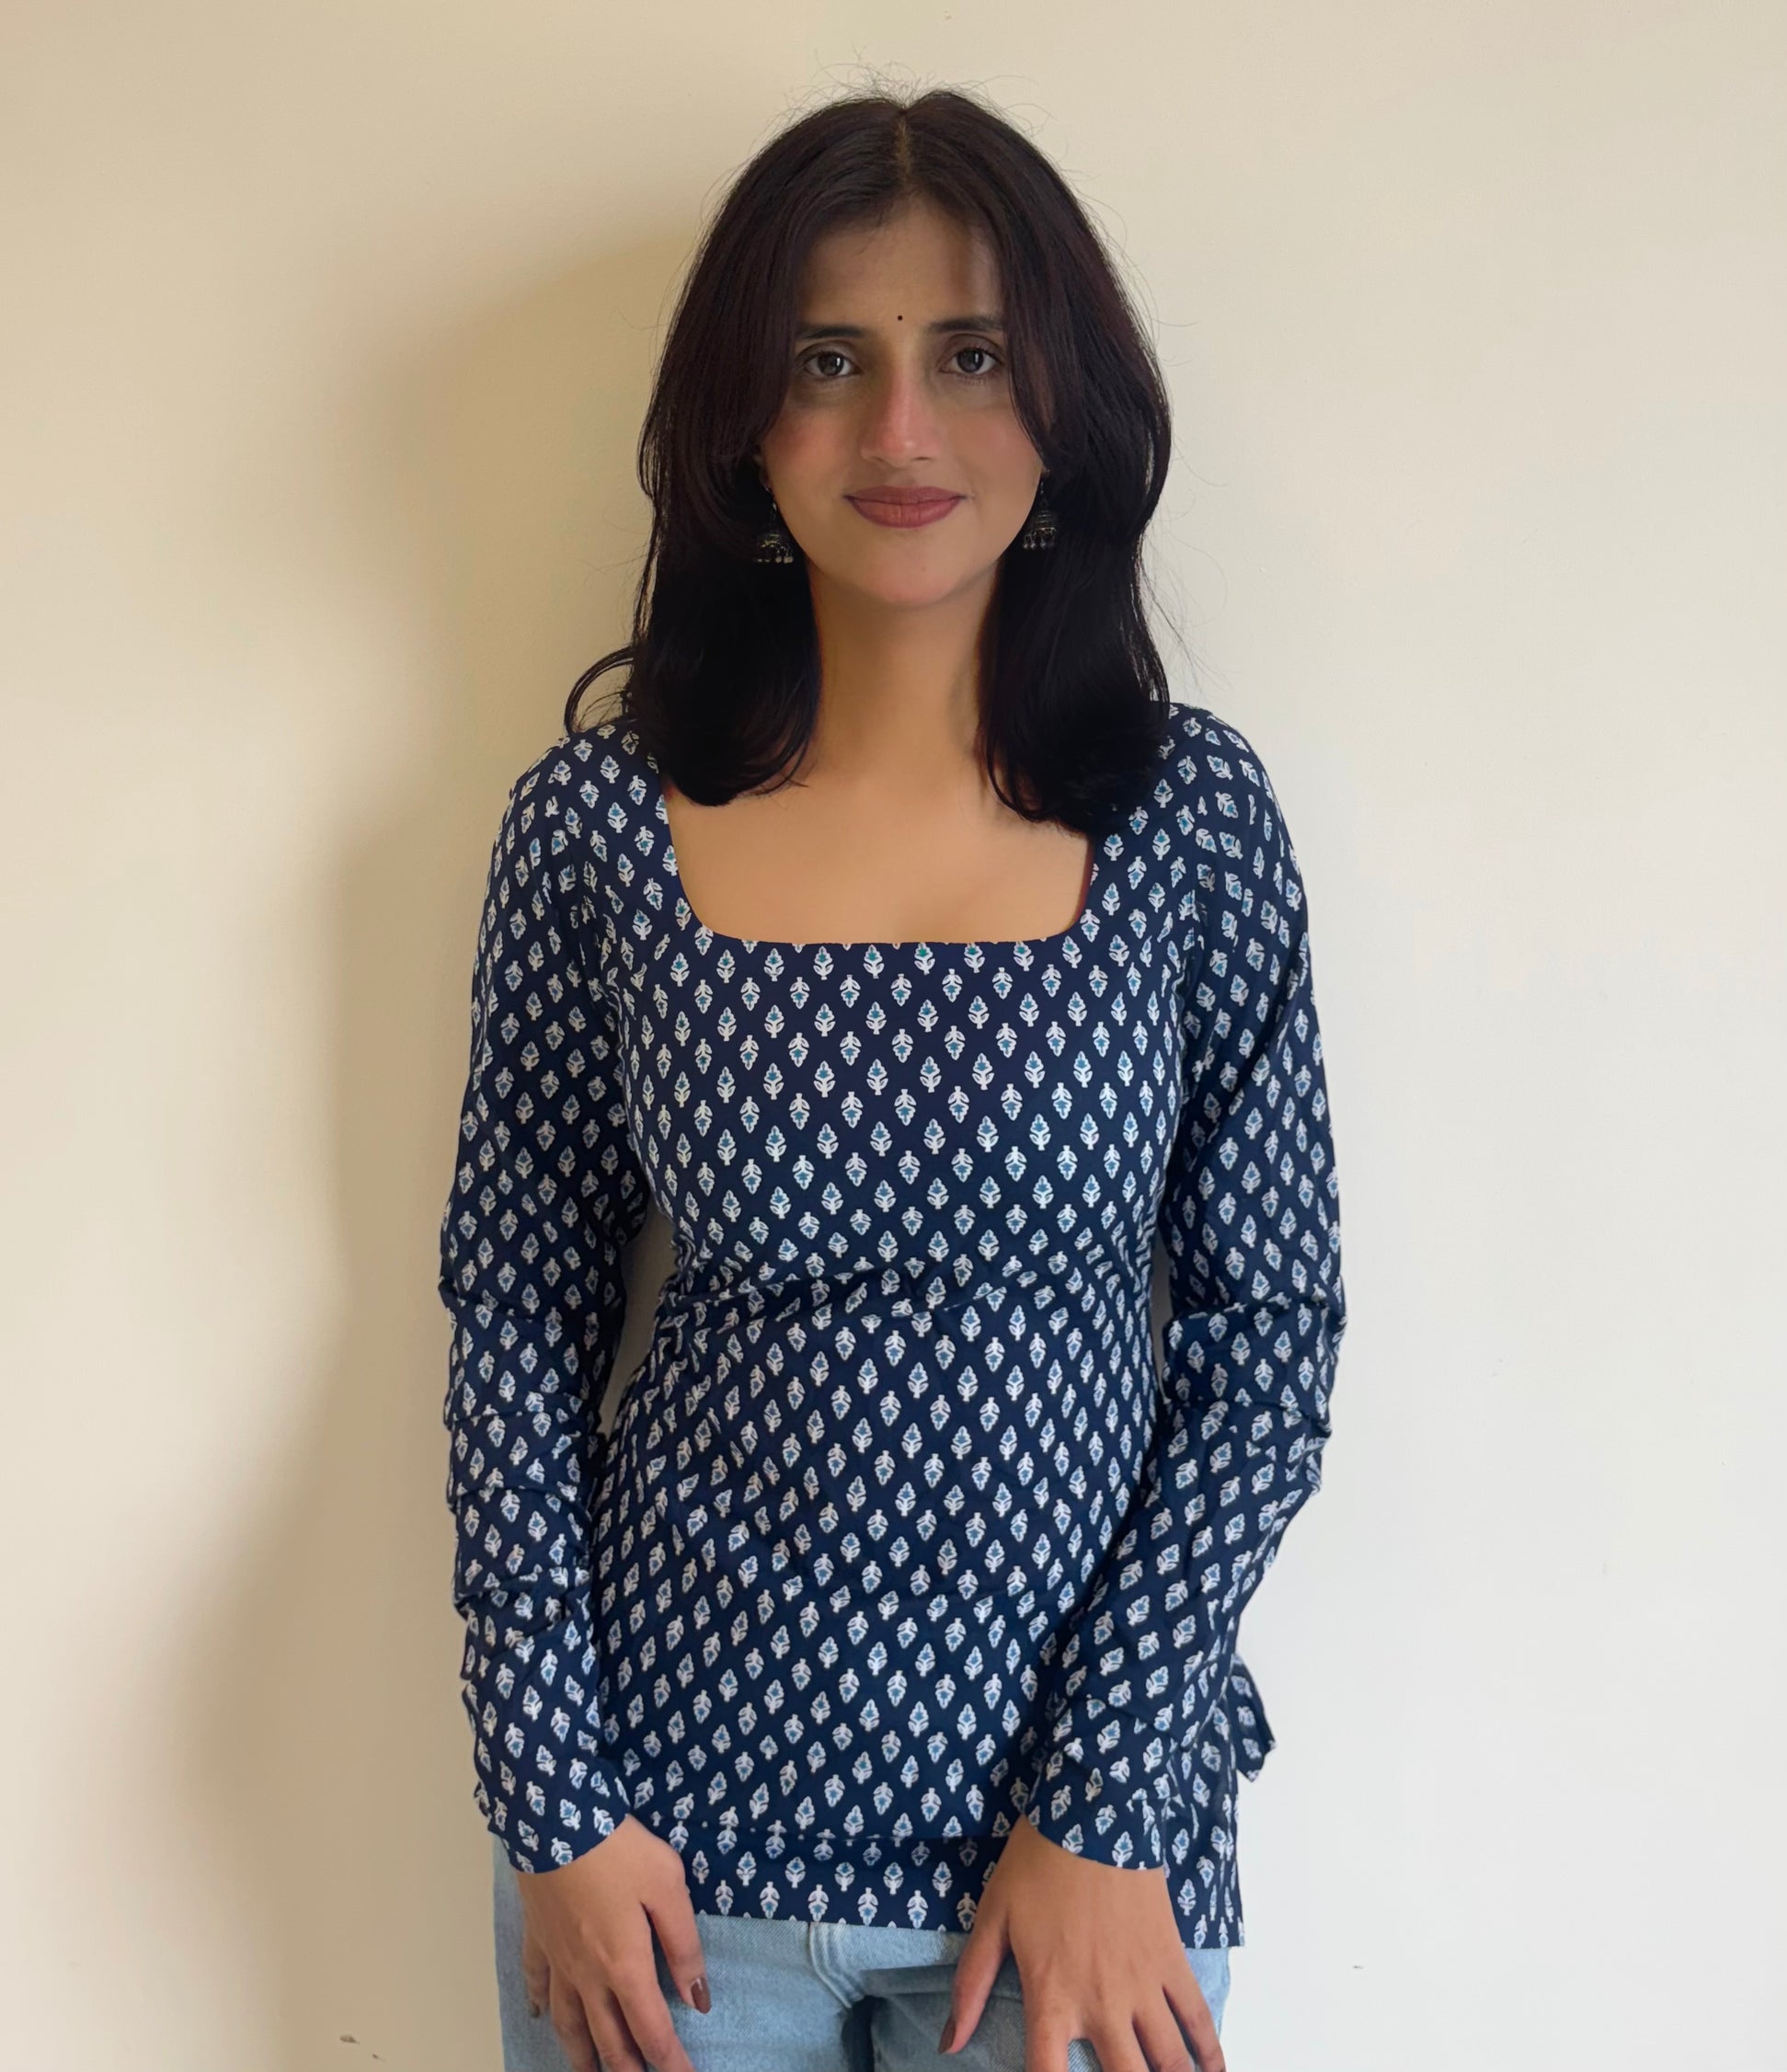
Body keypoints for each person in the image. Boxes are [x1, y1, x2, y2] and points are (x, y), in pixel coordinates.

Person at [437, 83, 1346, 2072]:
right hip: (671, 1867)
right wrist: (552, 1798)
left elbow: (1269, 1334)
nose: (901, 433)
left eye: (974, 357)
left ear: (1067, 404)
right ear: (741, 427)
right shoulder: (597, 831)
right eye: (827, 361)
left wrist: (1108, 1805)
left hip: (1080, 1873)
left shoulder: (1191, 823)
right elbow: (514, 1311)